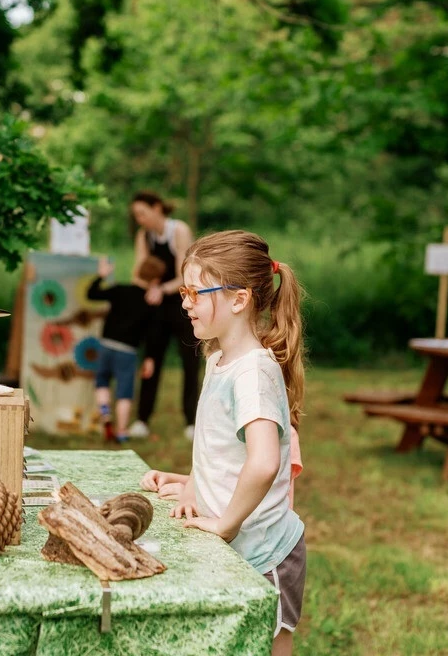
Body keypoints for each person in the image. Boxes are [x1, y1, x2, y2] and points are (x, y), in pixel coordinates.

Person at [139, 230, 307, 656]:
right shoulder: (218, 360)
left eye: (196, 291)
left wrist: (225, 523)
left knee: (268, 644)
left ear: (238, 300)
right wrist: (193, 484)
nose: (185, 301)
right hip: (234, 549)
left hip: (263, 551)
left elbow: (265, 462)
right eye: (183, 290)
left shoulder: (251, 372)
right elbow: (222, 447)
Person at [127, 191, 197, 441]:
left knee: (190, 361)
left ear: (157, 208)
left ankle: (191, 421)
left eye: (142, 213)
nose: (140, 219)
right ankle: (142, 420)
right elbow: (137, 273)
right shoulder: (144, 236)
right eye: (136, 216)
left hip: (182, 303)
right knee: (150, 361)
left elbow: (186, 273)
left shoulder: (179, 231)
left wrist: (162, 288)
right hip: (155, 307)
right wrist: (150, 286)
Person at [86, 254, 166, 443]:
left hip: (106, 345)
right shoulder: (150, 302)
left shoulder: (119, 290)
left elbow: (92, 294)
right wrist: (149, 358)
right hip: (127, 351)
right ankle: (121, 431)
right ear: (155, 281)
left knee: (102, 382)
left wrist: (101, 276)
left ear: (136, 271)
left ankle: (106, 416)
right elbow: (152, 334)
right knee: (124, 391)